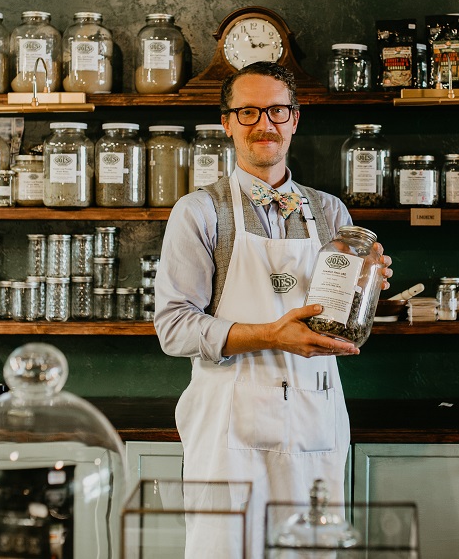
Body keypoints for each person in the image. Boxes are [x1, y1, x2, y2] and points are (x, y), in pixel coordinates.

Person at [154, 61, 393, 558]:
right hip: (227, 433)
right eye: (248, 112)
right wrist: (269, 335)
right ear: (227, 122)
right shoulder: (199, 211)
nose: (265, 124)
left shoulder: (330, 213)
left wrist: (366, 292)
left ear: (295, 119)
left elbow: (339, 320)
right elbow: (174, 328)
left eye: (278, 110)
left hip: (315, 419)